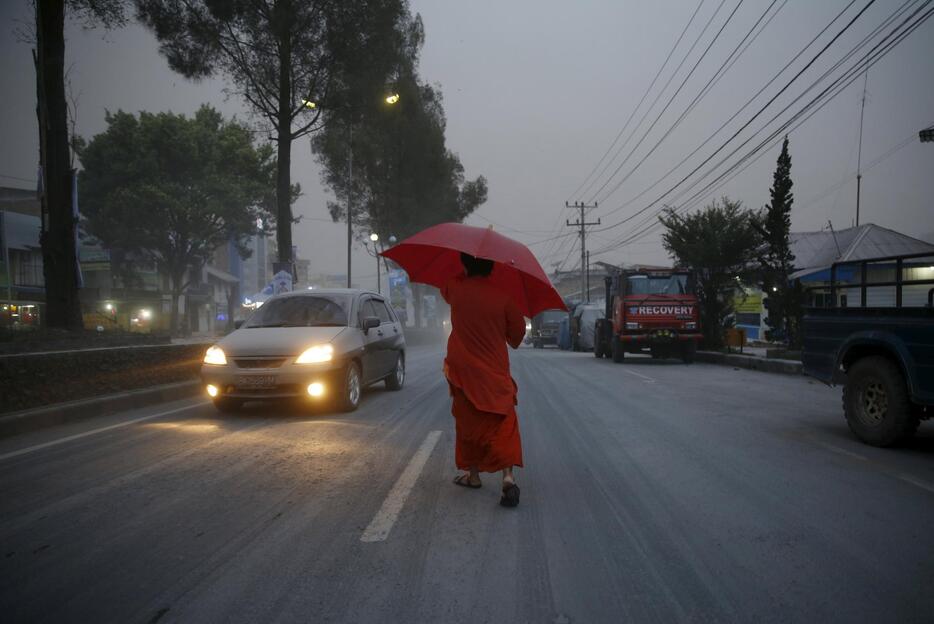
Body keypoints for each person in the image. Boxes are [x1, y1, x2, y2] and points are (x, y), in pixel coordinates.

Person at [441, 252, 527, 507]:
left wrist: (463, 269)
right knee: (503, 423)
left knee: (468, 424)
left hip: (463, 372)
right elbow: (518, 333)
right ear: (492, 267)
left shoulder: (456, 289)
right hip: (494, 372)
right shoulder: (503, 297)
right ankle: (508, 477)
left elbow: (447, 285)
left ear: (465, 264)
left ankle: (474, 475)